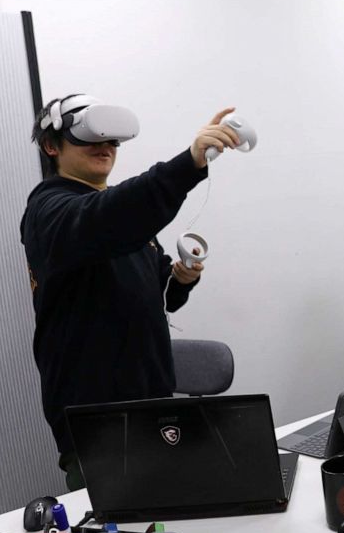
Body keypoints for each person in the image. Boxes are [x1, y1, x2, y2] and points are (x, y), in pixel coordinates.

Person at [21, 94, 241, 490]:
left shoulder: (121, 217)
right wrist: (188, 162)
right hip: (98, 422)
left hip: (151, 406)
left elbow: (161, 291)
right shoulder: (50, 210)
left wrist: (181, 279)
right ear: (52, 146)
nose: (105, 148)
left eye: (112, 142)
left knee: (165, 528)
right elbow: (104, 220)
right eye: (89, 139)